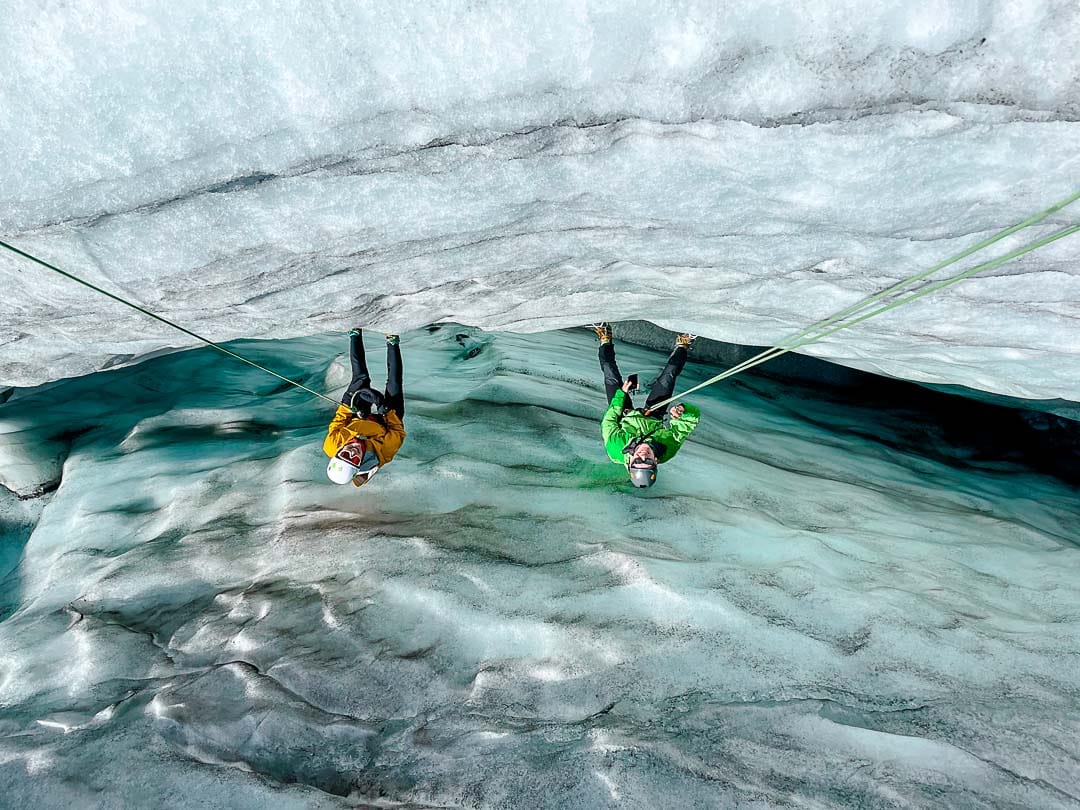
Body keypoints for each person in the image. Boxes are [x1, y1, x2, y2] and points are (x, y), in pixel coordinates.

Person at [593, 323, 700, 488]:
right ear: (655, 462)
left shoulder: (616, 450)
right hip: (653, 416)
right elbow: (688, 424)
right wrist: (682, 412)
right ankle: (683, 344)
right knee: (668, 376)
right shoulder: (667, 449)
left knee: (610, 372)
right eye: (647, 461)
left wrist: (621, 394)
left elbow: (609, 421)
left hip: (624, 414)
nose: (643, 455)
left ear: (630, 462)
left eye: (638, 461)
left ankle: (604, 337)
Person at [324, 329, 406, 487]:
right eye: (354, 458)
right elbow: (397, 431)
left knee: (360, 378)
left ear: (337, 453)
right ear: (360, 464)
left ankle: (355, 334)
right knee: (394, 385)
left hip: (358, 417)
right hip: (385, 423)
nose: (352, 451)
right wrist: (385, 410)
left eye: (345, 454)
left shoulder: (331, 444)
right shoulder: (382, 453)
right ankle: (392, 341)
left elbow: (339, 420)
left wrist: (348, 403)